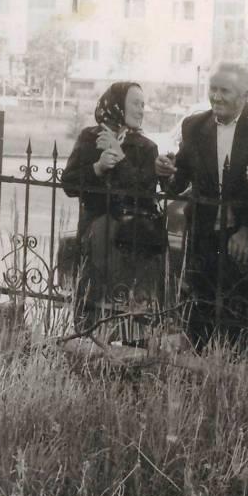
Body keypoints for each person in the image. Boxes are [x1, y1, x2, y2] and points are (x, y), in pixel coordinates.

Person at [155, 63, 248, 348]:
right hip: (203, 233)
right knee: (200, 311)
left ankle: (235, 364)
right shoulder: (194, 126)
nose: (216, 97)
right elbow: (178, 181)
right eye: (213, 89)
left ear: (245, 95)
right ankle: (199, 362)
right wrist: (164, 171)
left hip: (245, 235)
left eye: (225, 91)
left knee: (241, 313)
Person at [61, 81, 164, 336]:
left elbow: (145, 193)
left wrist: (121, 158)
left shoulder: (146, 147)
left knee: (130, 308)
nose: (141, 110)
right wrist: (97, 168)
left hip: (132, 239)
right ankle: (88, 343)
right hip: (95, 237)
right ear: (117, 105)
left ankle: (132, 345)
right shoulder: (89, 138)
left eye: (143, 105)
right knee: (92, 303)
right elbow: (69, 183)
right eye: (135, 103)